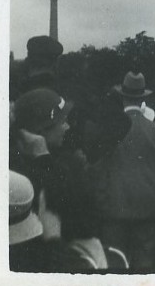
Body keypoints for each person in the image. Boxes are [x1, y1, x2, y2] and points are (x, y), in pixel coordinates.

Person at [90, 71, 155, 272]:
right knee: (145, 263)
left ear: (122, 97)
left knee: (115, 263)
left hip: (115, 205)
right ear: (143, 98)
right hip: (148, 204)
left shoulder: (108, 127)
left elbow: (97, 169)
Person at [10, 87, 93, 242]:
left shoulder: (63, 161)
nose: (67, 127)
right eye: (61, 122)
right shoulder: (26, 170)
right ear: (39, 132)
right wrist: (43, 158)